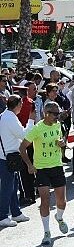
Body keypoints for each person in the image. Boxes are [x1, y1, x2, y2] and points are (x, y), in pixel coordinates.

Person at [19, 102, 69, 245]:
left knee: (62, 201)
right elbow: (22, 148)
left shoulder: (58, 125)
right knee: (45, 200)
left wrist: (62, 143)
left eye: (58, 114)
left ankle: (59, 218)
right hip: (41, 169)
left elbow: (61, 140)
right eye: (55, 114)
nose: (57, 116)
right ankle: (46, 232)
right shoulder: (37, 128)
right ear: (46, 114)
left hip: (57, 166)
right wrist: (29, 165)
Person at [0, 95, 34, 227]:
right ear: (18, 105)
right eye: (21, 104)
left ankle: (16, 213)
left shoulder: (6, 115)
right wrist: (30, 121)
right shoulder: (10, 118)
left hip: (7, 156)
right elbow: (24, 135)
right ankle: (3, 216)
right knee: (7, 188)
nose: (22, 106)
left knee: (13, 186)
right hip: (8, 157)